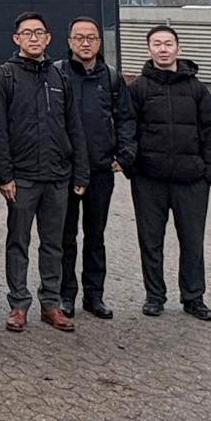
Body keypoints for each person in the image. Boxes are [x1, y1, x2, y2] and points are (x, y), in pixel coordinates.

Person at [0, 12, 89, 334]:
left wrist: (81, 173)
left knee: (53, 244)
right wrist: (5, 176)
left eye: (39, 33)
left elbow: (74, 127)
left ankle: (51, 304)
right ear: (16, 39)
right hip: (23, 178)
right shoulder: (4, 77)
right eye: (27, 33)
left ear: (48, 38)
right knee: (18, 242)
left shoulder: (60, 77)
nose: (33, 38)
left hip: (58, 177)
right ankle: (19, 304)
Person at [128, 25, 211, 321]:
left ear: (178, 49)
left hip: (191, 181)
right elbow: (127, 129)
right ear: (149, 49)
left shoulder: (197, 89)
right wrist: (133, 168)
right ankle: (154, 296)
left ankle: (193, 298)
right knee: (151, 241)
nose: (163, 49)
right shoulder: (138, 89)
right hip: (149, 180)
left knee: (192, 242)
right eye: (157, 44)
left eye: (168, 43)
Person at [57, 17, 135, 320]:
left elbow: (126, 118)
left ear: (99, 42)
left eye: (91, 37)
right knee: (65, 238)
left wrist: (124, 155)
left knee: (95, 236)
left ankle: (94, 296)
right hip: (65, 171)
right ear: (69, 42)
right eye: (79, 37)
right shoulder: (57, 74)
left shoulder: (112, 78)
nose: (85, 43)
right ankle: (66, 295)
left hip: (101, 170)